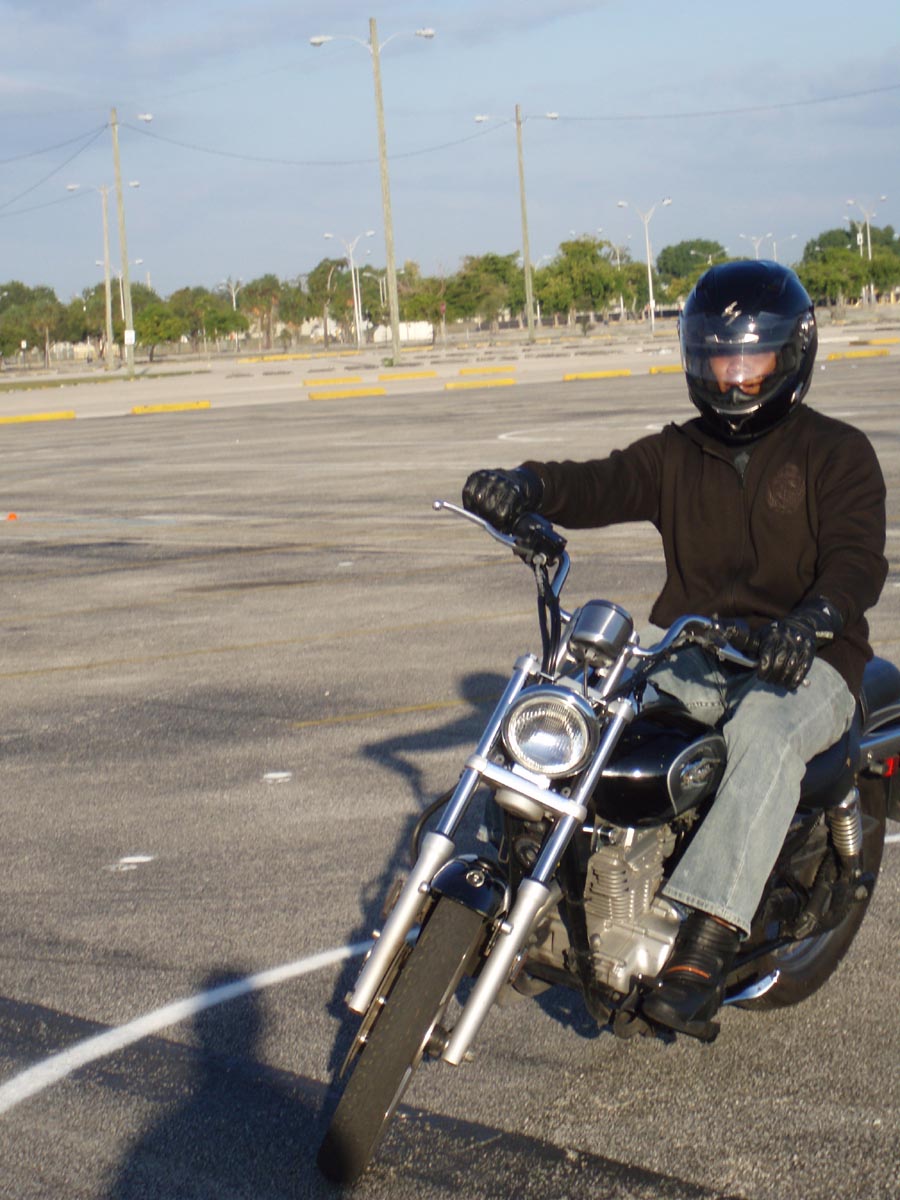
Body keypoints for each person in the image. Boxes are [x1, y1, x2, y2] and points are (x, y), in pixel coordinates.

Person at [462, 260, 887, 1040]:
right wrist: (523, 485)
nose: (733, 376)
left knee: (762, 732)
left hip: (810, 659)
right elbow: (599, 482)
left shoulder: (837, 452)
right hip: (699, 650)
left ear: (792, 354)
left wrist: (812, 621)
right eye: (718, 357)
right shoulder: (677, 452)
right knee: (607, 723)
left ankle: (705, 943)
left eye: (751, 358)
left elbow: (858, 559)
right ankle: (563, 890)